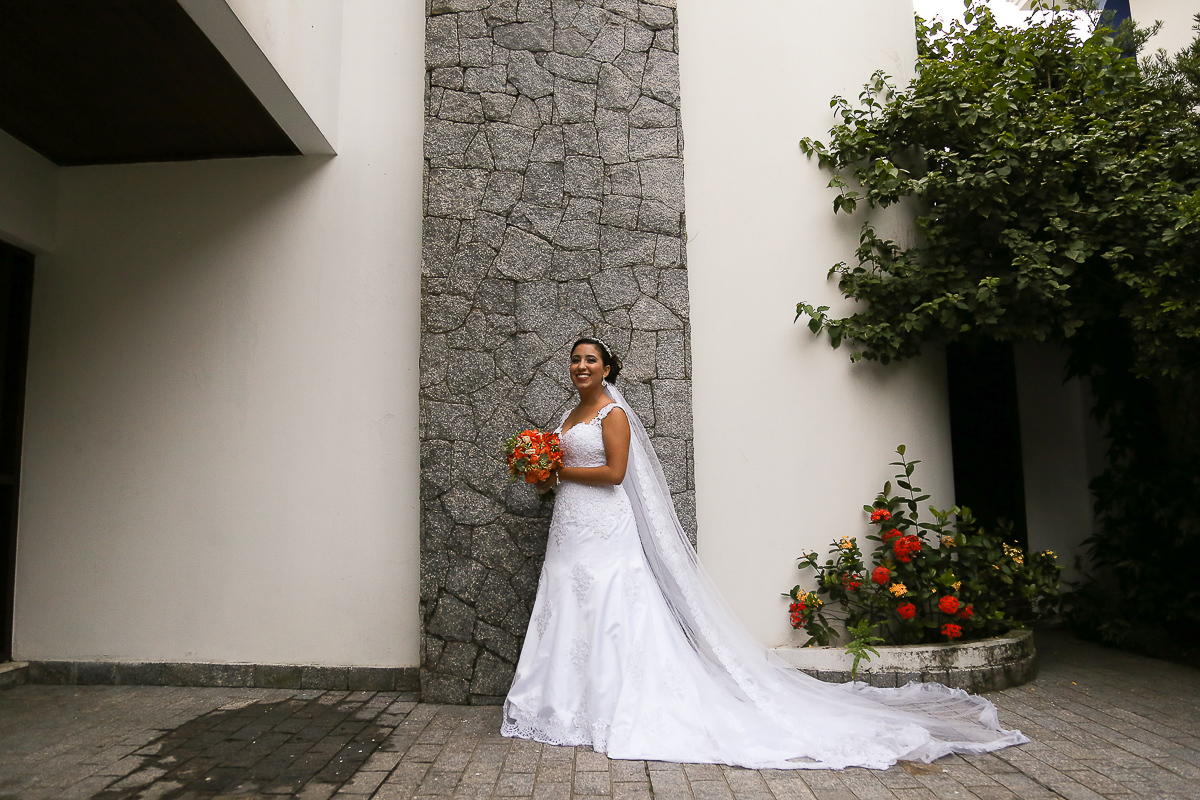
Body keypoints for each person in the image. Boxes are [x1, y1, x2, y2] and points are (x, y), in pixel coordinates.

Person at [501, 337, 1028, 770]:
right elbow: (564, 470)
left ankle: (610, 707)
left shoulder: (613, 413)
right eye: (575, 359)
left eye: (590, 359)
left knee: (610, 609)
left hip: (605, 527)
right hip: (570, 527)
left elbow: (615, 474)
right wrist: (543, 472)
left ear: (608, 367)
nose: (581, 366)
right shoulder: (569, 414)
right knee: (568, 604)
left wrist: (554, 471)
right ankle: (563, 706)